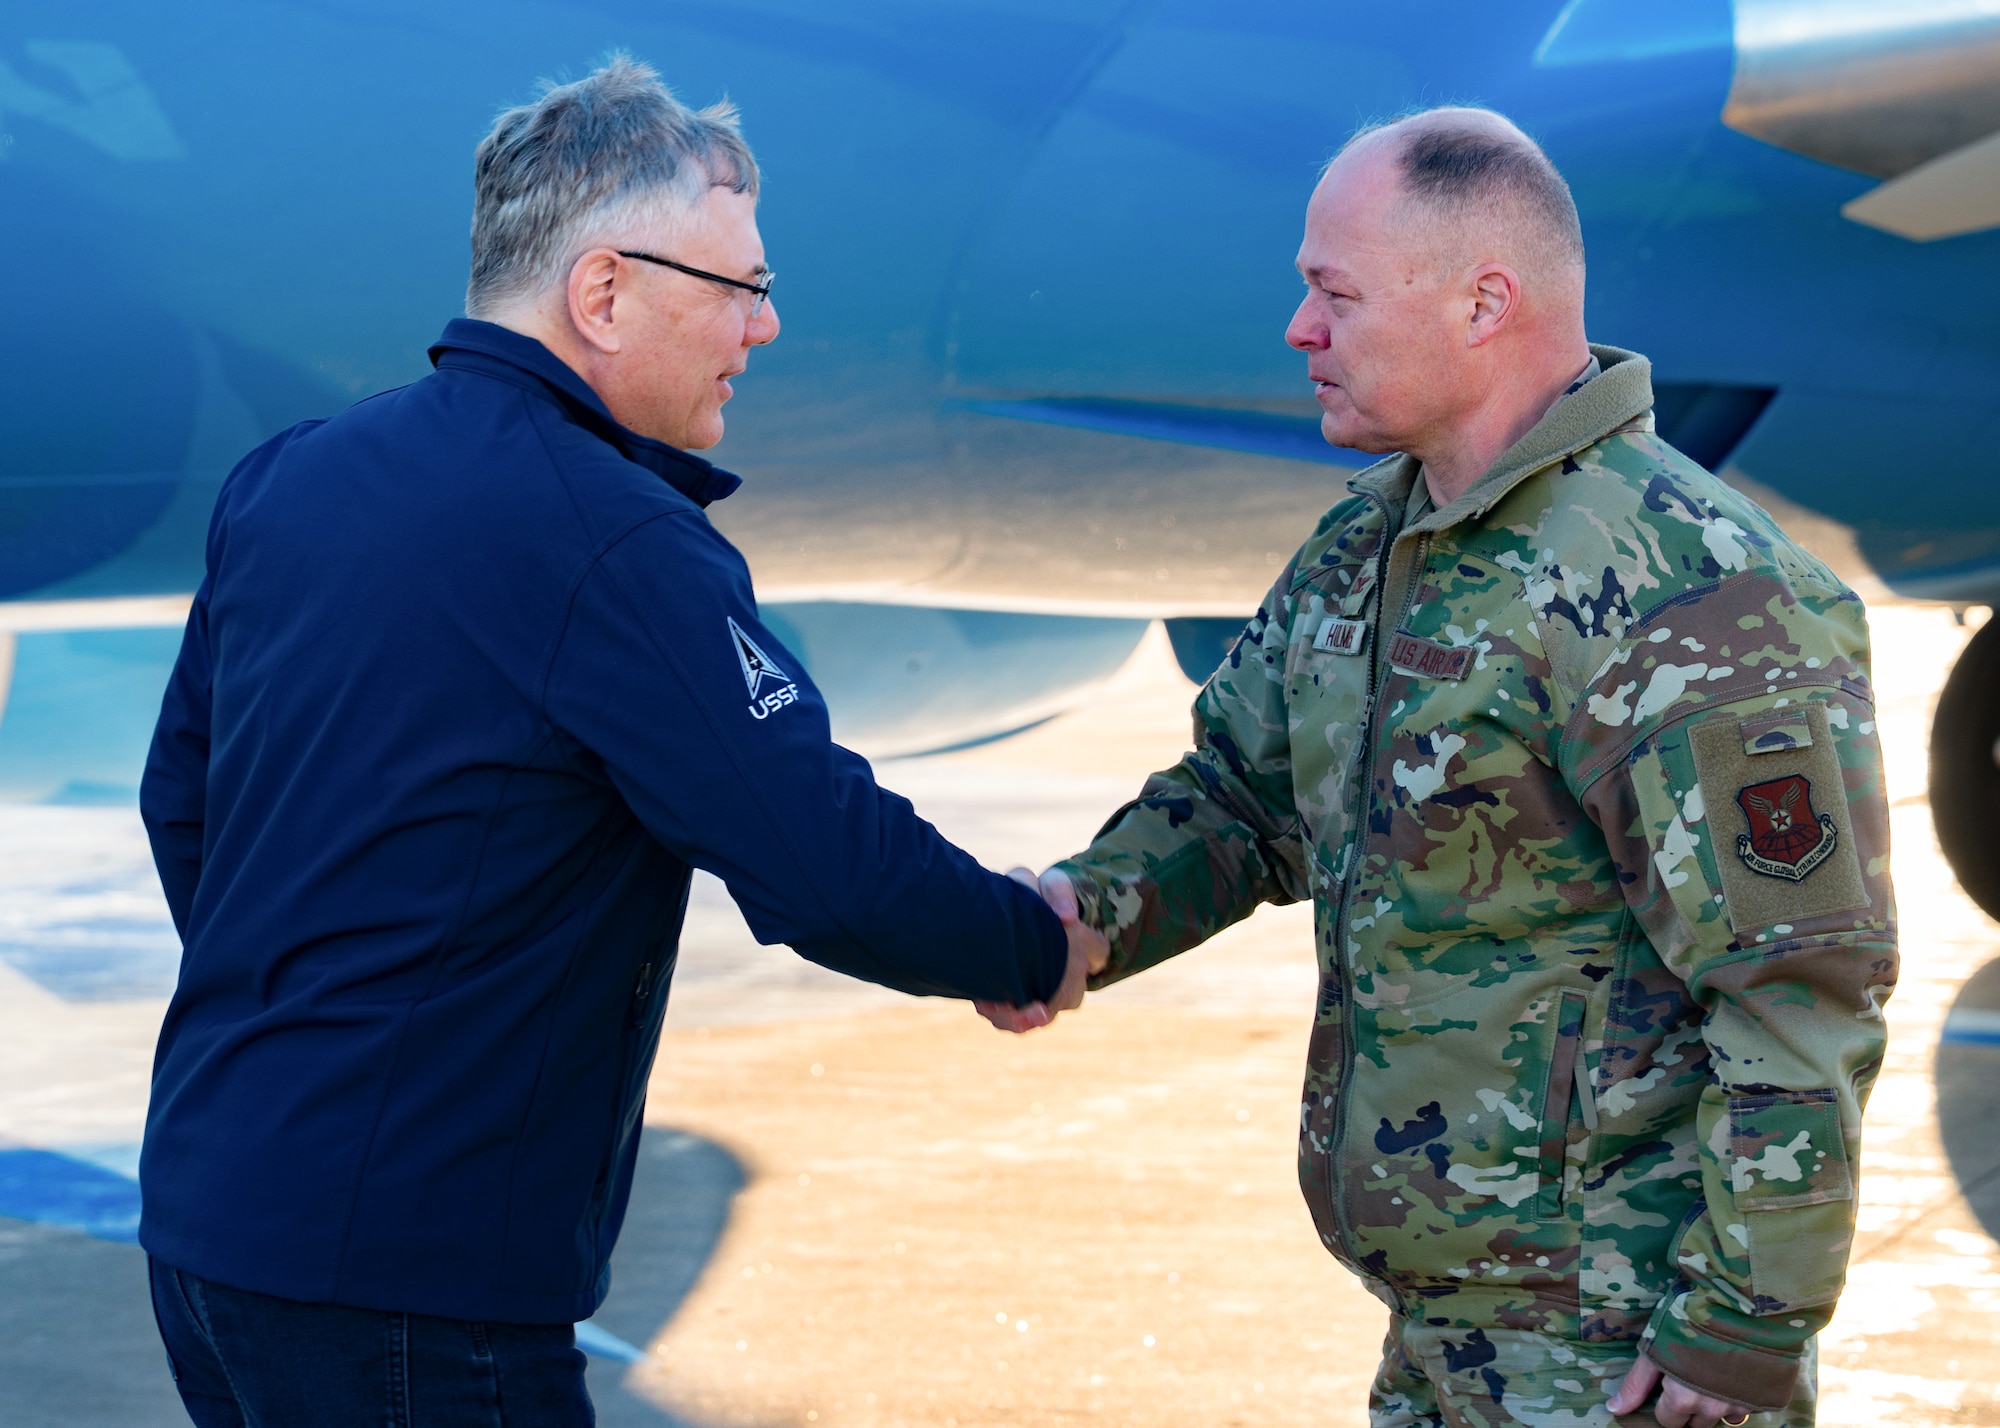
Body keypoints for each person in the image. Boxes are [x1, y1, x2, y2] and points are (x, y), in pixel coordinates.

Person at [137, 55, 1098, 1426]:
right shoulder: (616, 541)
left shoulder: (289, 479)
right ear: (602, 293)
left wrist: (310, 1021)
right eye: (741, 289)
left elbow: (186, 804)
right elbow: (820, 858)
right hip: (414, 1287)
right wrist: (1027, 940)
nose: (764, 329)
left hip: (209, 1234)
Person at [1014, 108, 1895, 1428]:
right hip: (1442, 1329)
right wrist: (1083, 916)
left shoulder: (1692, 593)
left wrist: (1740, 1324)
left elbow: (1797, 990)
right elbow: (1245, 802)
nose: (1302, 331)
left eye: (1334, 293)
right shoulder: (1369, 549)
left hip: (1628, 1355)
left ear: (1485, 304)